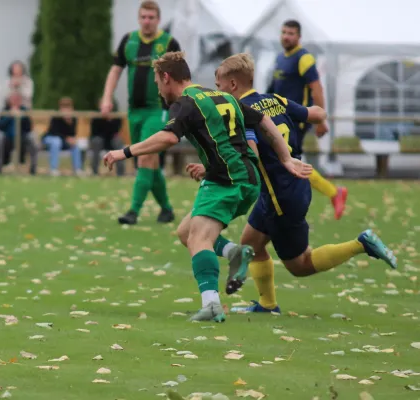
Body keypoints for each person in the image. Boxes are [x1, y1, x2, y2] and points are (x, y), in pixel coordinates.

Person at [103, 52, 312, 322]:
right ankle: (234, 252)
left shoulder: (186, 103)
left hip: (225, 181)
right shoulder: (223, 97)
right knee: (185, 232)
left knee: (199, 239)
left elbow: (167, 138)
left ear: (167, 78)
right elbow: (263, 121)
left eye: (158, 83)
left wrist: (125, 152)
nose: (159, 89)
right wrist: (286, 157)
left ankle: (211, 304)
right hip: (248, 181)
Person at [190, 53, 397, 313]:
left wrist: (210, 169)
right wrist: (321, 121)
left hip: (281, 194)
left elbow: (250, 154)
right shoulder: (273, 100)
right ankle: (267, 304)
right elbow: (315, 112)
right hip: (288, 184)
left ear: (233, 85)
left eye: (219, 86)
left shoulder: (243, 113)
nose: (217, 91)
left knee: (301, 264)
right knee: (250, 245)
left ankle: (360, 244)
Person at [101, 0, 180, 225]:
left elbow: (181, 76)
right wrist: (107, 97)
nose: (147, 21)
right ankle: (166, 209)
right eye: (143, 17)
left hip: (158, 110)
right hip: (134, 111)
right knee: (149, 162)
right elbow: (115, 70)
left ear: (158, 19)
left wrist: (179, 105)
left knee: (145, 156)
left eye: (151, 18)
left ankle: (133, 212)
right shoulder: (129, 40)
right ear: (138, 18)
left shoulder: (168, 42)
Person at [268, 20, 348, 220]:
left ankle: (331, 193)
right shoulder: (280, 58)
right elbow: (273, 91)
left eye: (291, 33)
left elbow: (316, 88)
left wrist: (320, 120)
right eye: (284, 32)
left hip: (297, 120)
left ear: (299, 37)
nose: (286, 36)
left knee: (289, 161)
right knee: (286, 161)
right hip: (280, 119)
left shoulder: (304, 58)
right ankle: (330, 193)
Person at [0, 91, 37, 175]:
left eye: (17, 100)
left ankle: (33, 168)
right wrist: (10, 115)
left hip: (22, 138)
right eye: (13, 99)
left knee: (32, 137)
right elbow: (0, 126)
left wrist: (22, 117)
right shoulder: (5, 110)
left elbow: (29, 128)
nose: (15, 101)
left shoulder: (24, 110)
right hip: (7, 139)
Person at [42, 96, 82, 176]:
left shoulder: (73, 119)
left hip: (63, 142)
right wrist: (66, 138)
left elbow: (73, 134)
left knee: (75, 146)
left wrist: (69, 123)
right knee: (56, 141)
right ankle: (53, 169)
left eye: (68, 107)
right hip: (50, 139)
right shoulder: (56, 117)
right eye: (64, 107)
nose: (66, 109)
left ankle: (77, 169)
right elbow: (54, 132)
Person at [90, 98, 124, 176]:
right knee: (96, 141)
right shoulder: (96, 117)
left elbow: (116, 131)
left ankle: (121, 173)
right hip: (100, 140)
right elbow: (94, 132)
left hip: (111, 140)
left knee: (118, 142)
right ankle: (94, 172)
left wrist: (110, 120)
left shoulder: (116, 116)